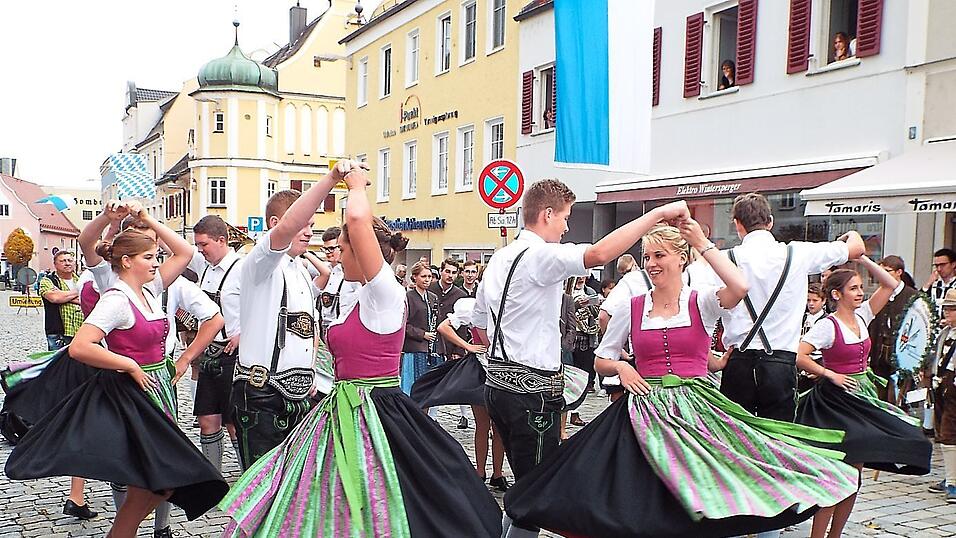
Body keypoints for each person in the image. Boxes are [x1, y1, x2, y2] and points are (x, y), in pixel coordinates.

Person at [504, 223, 859, 538]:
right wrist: (624, 369)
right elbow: (602, 358)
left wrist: (703, 242)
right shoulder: (633, 305)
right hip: (644, 412)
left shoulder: (701, 301)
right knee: (643, 499)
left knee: (717, 486)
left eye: (659, 255)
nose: (651, 263)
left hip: (697, 408)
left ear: (681, 259)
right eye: (646, 257)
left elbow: (739, 286)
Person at [219, 163, 502, 537]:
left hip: (374, 409)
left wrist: (353, 184)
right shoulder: (356, 294)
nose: (335, 254)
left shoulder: (385, 291)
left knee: (373, 495)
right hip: (333, 407)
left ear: (361, 249)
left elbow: (356, 218)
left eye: (341, 248)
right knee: (311, 494)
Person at [473, 178, 693, 538]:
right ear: (546, 215)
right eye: (564, 218)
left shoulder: (500, 258)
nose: (565, 227)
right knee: (537, 497)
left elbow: (480, 325)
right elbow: (599, 254)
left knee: (525, 490)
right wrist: (658, 214)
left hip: (498, 386)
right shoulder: (540, 255)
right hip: (531, 391)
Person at [5, 211, 229, 538]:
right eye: (149, 257)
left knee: (156, 482)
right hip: (132, 395)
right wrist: (128, 364)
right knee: (157, 479)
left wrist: (148, 218)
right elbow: (80, 346)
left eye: (156, 257)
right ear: (127, 261)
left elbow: (185, 253)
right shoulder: (117, 299)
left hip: (158, 389)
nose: (156, 262)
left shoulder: (150, 289)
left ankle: (123, 532)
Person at [796, 258, 932, 538]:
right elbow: (798, 354)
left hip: (862, 397)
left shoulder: (863, 315)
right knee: (837, 474)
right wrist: (828, 373)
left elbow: (893, 284)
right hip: (835, 402)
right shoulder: (827, 326)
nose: (860, 292)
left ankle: (835, 535)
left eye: (860, 287)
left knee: (855, 475)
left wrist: (861, 258)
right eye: (854, 288)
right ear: (837, 294)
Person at [232, 165, 351, 469]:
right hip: (263, 394)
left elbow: (305, 331)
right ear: (277, 223)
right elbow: (285, 230)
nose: (310, 231)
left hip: (299, 393)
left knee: (291, 491)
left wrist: (309, 373)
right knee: (262, 490)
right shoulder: (260, 262)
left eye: (312, 223)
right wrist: (330, 181)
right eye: (304, 223)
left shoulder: (298, 268)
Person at [717, 193, 865, 424]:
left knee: (737, 442)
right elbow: (857, 248)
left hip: (738, 362)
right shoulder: (797, 253)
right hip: (780, 363)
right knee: (781, 440)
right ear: (771, 222)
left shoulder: (725, 258)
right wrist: (850, 233)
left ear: (737, 224)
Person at [411, 296, 511, 491]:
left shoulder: (509, 304)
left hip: (502, 368)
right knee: (482, 424)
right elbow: (443, 327)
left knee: (499, 426)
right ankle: (480, 471)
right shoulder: (474, 306)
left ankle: (498, 474)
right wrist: (468, 346)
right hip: (480, 370)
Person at [188, 215, 244, 473]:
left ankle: (247, 476)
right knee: (207, 419)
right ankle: (213, 479)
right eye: (198, 245)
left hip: (235, 355)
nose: (201, 250)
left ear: (222, 240)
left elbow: (264, 306)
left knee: (233, 421)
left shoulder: (243, 269)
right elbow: (177, 249)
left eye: (204, 244)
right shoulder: (205, 266)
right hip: (210, 353)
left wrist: (244, 333)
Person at [870, 255, 919, 401]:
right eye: (880, 271)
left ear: (899, 272)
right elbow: (873, 325)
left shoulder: (913, 296)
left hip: (902, 356)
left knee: (897, 399)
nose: (882, 275)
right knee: (879, 398)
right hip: (879, 354)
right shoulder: (879, 294)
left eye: (887, 271)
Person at [930, 288, 956, 501]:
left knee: (949, 433)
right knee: (942, 432)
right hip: (942, 387)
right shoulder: (946, 333)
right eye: (946, 308)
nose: (947, 313)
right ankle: (950, 476)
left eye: (952, 309)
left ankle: (953, 482)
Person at [401, 261, 439, 395]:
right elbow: (403, 324)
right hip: (414, 348)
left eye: (429, 277)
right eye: (423, 276)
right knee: (413, 385)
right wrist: (422, 334)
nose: (427, 280)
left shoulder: (433, 297)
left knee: (428, 388)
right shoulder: (408, 297)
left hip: (430, 349)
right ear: (415, 277)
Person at [39, 250, 84, 352]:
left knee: (81, 365)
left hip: (81, 331)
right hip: (58, 332)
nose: (67, 263)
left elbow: (90, 301)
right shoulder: (48, 280)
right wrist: (79, 292)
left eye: (70, 260)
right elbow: (55, 298)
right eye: (63, 261)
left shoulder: (81, 281)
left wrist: (63, 295)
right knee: (58, 365)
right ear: (55, 264)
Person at [923, 248, 956, 317]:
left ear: (953, 264)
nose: (939, 269)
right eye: (936, 265)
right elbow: (919, 303)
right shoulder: (933, 285)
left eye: (943, 265)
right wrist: (927, 284)